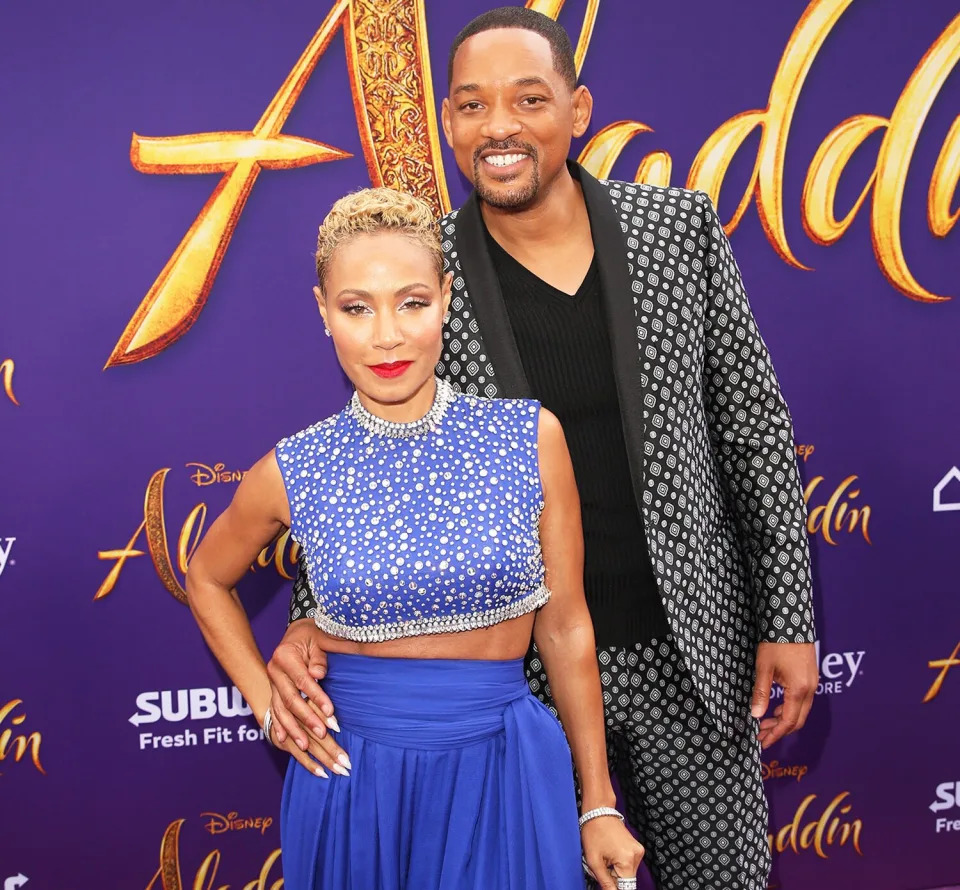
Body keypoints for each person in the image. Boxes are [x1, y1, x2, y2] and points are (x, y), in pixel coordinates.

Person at [269, 8, 819, 889]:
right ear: (447, 123)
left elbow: (752, 432)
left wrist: (786, 619)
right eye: (472, 105)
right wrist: (315, 615)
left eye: (529, 99)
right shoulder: (423, 271)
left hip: (695, 654)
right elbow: (380, 456)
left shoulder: (676, 232)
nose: (500, 128)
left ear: (578, 108)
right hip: (523, 689)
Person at [184, 187, 643, 890]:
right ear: (322, 313)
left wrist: (597, 802)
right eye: (356, 308)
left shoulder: (529, 438)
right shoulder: (295, 467)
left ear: (447, 298)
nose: (387, 336)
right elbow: (208, 576)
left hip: (509, 765)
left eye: (412, 302)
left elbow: (565, 627)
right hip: (353, 779)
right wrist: (267, 702)